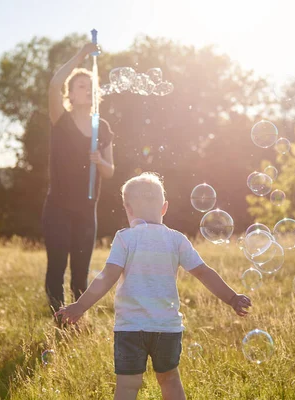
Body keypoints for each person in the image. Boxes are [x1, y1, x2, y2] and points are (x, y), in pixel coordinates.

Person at [55, 172, 252, 400]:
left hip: (130, 327)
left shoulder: (125, 238)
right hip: (166, 327)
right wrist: (232, 297)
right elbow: (204, 272)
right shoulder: (176, 239)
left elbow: (108, 276)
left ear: (128, 209)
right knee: (170, 380)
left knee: (128, 386)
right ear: (164, 207)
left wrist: (80, 306)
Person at [43, 42, 115, 315]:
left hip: (87, 209)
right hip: (58, 208)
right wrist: (81, 55)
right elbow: (53, 85)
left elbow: (110, 171)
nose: (88, 90)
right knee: (57, 266)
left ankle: (76, 320)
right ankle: (58, 319)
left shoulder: (102, 127)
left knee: (81, 273)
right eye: (81, 86)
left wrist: (100, 161)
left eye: (91, 86)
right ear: (70, 95)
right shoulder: (61, 119)